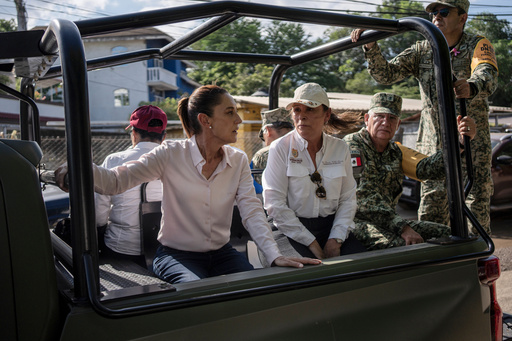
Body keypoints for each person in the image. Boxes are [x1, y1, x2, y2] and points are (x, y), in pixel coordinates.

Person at [56, 85, 320, 284]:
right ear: (205, 120)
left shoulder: (238, 160)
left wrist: (273, 255)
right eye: (230, 113)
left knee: (253, 292)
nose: (238, 120)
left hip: (222, 253)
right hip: (176, 255)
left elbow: (252, 211)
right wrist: (75, 169)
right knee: (195, 296)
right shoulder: (170, 153)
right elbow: (115, 181)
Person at [351, 0, 498, 234]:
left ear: (462, 18)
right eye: (431, 12)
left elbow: (487, 73)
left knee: (475, 216)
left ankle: (473, 266)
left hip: (471, 149)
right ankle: (436, 268)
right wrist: (370, 46)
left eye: (443, 11)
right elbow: (386, 74)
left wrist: (472, 85)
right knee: (431, 215)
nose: (436, 17)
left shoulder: (477, 44)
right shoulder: (422, 49)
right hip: (435, 150)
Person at [344, 93, 477, 249]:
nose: (385, 122)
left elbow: (427, 169)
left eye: (391, 118)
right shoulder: (352, 145)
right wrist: (403, 229)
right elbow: (363, 197)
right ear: (367, 119)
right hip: (355, 222)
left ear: (398, 124)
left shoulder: (394, 151)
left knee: (449, 234)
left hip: (388, 222)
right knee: (403, 246)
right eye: (379, 116)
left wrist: (460, 144)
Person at [262, 83, 366, 260]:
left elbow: (348, 199)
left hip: (330, 226)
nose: (302, 116)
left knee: (360, 266)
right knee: (301, 272)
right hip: (288, 228)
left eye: (310, 109)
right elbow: (275, 205)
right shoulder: (280, 148)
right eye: (297, 110)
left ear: (326, 114)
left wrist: (336, 238)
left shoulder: (340, 148)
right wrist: (311, 243)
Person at [95, 105, 167, 267]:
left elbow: (99, 212)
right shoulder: (174, 161)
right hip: (164, 250)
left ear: (134, 134)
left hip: (120, 247)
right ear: (164, 136)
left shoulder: (114, 160)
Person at [252, 107, 294, 187]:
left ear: (268, 131)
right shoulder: (303, 148)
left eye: (263, 135)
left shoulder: (263, 155)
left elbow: (259, 187)